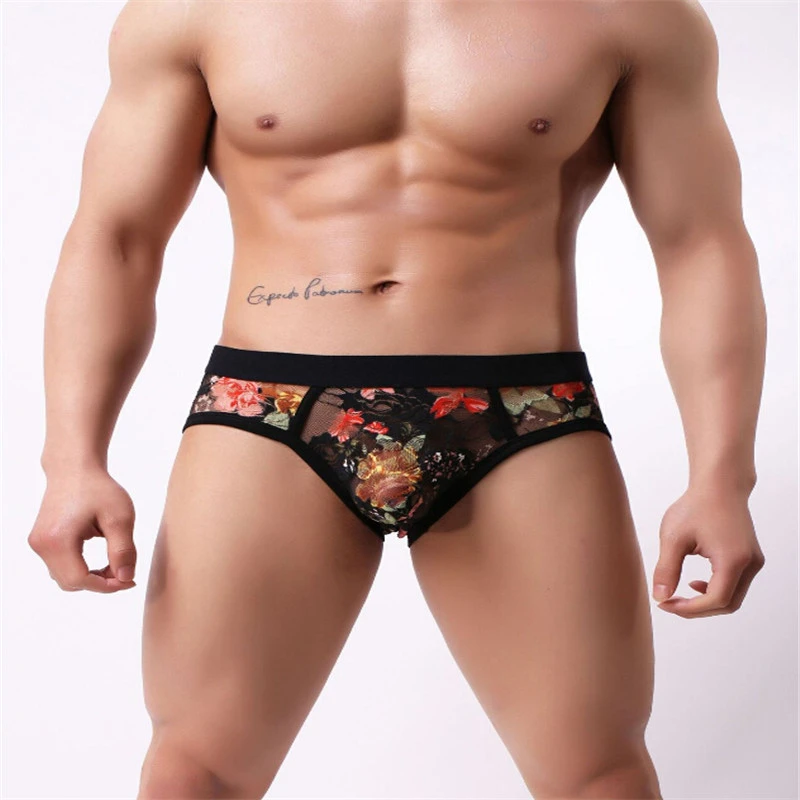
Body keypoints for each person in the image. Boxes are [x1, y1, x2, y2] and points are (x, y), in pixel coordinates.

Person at [27, 0, 767, 797]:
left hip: (521, 411)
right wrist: (71, 460)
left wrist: (722, 477)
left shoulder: (630, 14)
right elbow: (116, 237)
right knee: (194, 772)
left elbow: (700, 244)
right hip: (270, 407)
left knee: (599, 777)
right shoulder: (196, 11)